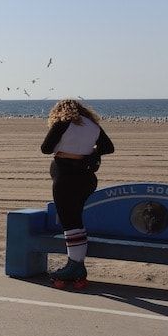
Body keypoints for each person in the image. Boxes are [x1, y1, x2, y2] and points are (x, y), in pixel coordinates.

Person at [40, 99, 115, 285]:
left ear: (60, 110)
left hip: (65, 176)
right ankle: (76, 264)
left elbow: (45, 148)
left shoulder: (63, 123)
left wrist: (68, 149)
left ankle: (75, 265)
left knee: (70, 222)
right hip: (86, 177)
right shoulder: (92, 124)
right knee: (77, 221)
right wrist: (90, 154)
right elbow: (109, 147)